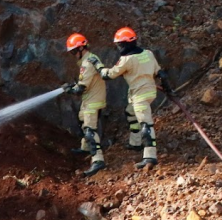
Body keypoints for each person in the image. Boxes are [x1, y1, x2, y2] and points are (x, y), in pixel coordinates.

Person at [96, 27, 172, 169]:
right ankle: (135, 142)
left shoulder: (127, 59)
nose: (119, 47)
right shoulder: (148, 54)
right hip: (149, 92)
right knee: (130, 112)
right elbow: (160, 73)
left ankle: (150, 156)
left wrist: (99, 68)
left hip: (140, 96)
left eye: (119, 44)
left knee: (145, 124)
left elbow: (109, 75)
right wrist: (169, 89)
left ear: (124, 44)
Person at [62, 33, 108, 177]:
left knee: (90, 130)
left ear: (81, 48)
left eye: (74, 51)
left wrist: (69, 89)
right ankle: (86, 148)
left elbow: (80, 89)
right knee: (84, 122)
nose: (74, 54)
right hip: (91, 99)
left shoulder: (87, 64)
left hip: (93, 101)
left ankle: (98, 160)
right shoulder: (89, 59)